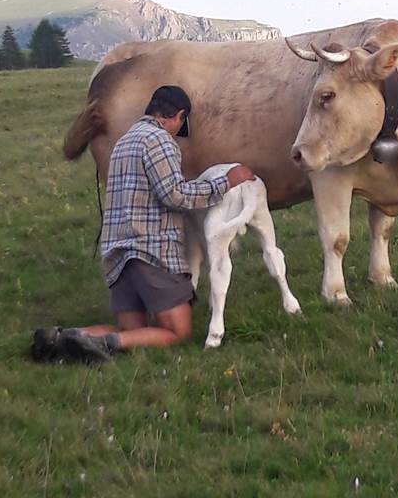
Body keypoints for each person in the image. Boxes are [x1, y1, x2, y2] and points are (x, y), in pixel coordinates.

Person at [32, 85, 255, 363]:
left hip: (117, 256)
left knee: (134, 332)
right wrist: (227, 181)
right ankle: (105, 342)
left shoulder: (124, 141)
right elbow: (175, 195)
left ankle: (63, 337)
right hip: (151, 253)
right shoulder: (159, 140)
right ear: (178, 116)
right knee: (177, 331)